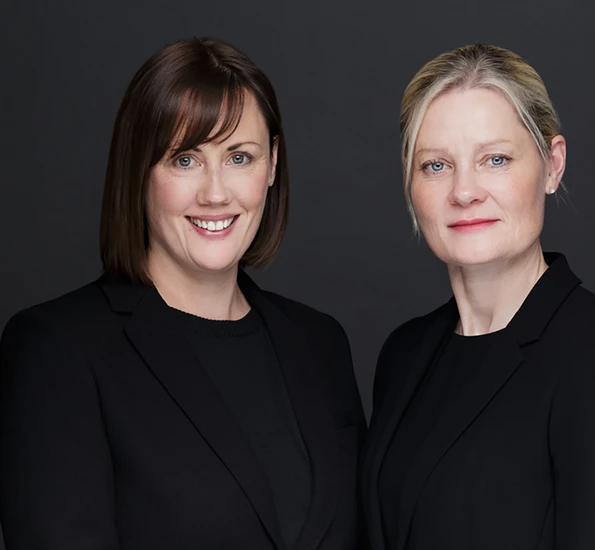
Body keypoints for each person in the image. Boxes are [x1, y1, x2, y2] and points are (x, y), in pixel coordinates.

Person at [0, 38, 365, 550]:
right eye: (185, 159)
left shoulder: (320, 344)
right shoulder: (57, 350)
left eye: (239, 157)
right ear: (140, 171)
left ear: (273, 165)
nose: (215, 193)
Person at [359, 43, 595, 550]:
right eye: (436, 165)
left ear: (552, 165)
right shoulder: (405, 354)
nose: (464, 191)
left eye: (494, 159)